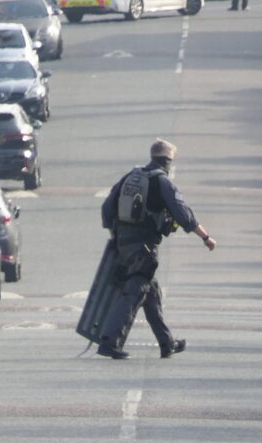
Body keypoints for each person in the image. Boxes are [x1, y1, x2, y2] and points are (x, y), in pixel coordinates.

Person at [89, 139, 216, 360]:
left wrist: (115, 233)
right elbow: (183, 213)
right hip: (144, 246)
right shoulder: (162, 182)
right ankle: (109, 342)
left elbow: (107, 207)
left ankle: (167, 343)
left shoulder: (131, 176)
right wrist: (205, 237)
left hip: (123, 242)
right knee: (135, 291)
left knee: (151, 292)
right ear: (167, 161)